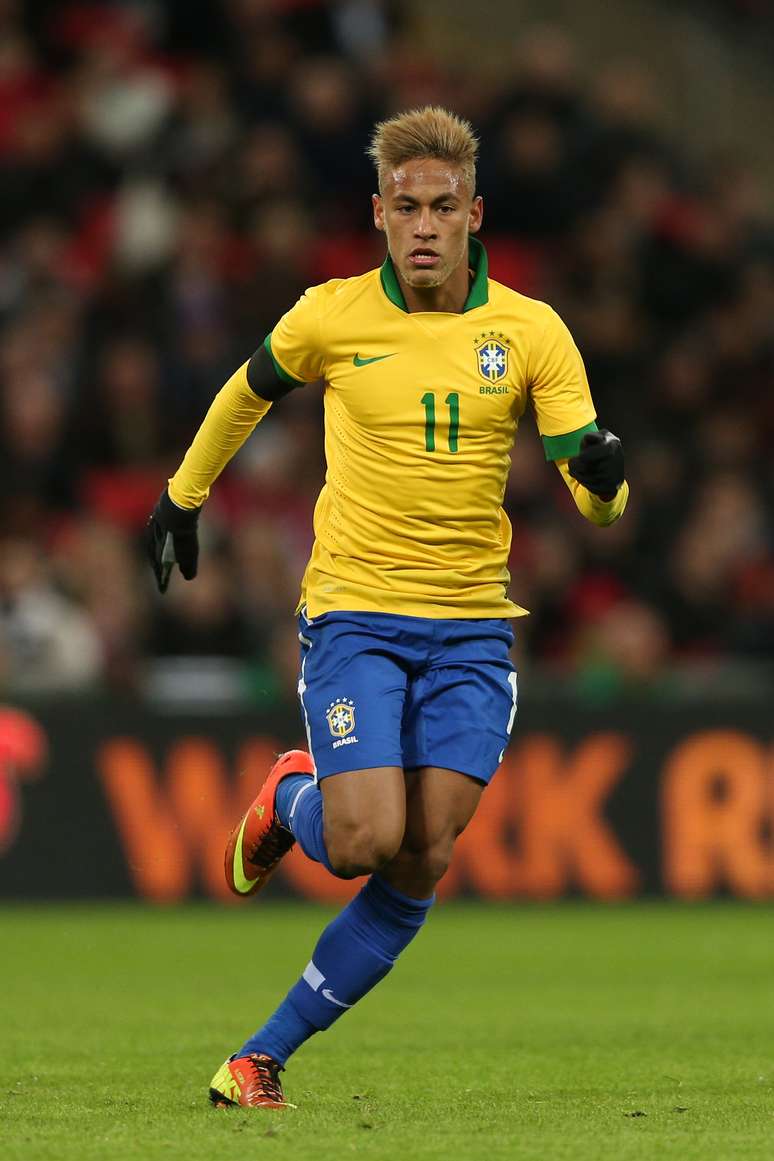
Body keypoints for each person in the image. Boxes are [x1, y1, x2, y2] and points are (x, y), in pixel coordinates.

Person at [146, 106, 628, 1110]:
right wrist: (183, 497)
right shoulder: (331, 316)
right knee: (364, 839)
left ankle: (257, 1060)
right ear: (378, 214)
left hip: (472, 629)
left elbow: (593, 493)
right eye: (405, 208)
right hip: (357, 614)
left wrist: (605, 484)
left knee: (422, 855)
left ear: (473, 216)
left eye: (443, 207)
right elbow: (245, 391)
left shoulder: (531, 331)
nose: (423, 226)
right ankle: (291, 793)